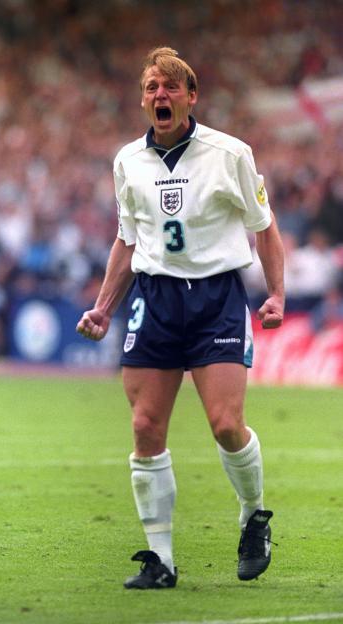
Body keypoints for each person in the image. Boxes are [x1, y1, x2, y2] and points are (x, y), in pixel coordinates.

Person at [76, 46, 285, 590]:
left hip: (216, 296)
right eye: (151, 88)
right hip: (154, 299)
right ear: (143, 99)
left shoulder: (230, 153)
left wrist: (276, 294)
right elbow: (128, 239)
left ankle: (254, 516)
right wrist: (103, 306)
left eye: (170, 88)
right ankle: (161, 560)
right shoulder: (127, 162)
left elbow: (264, 227)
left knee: (225, 424)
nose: (160, 96)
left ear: (191, 97)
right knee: (145, 427)